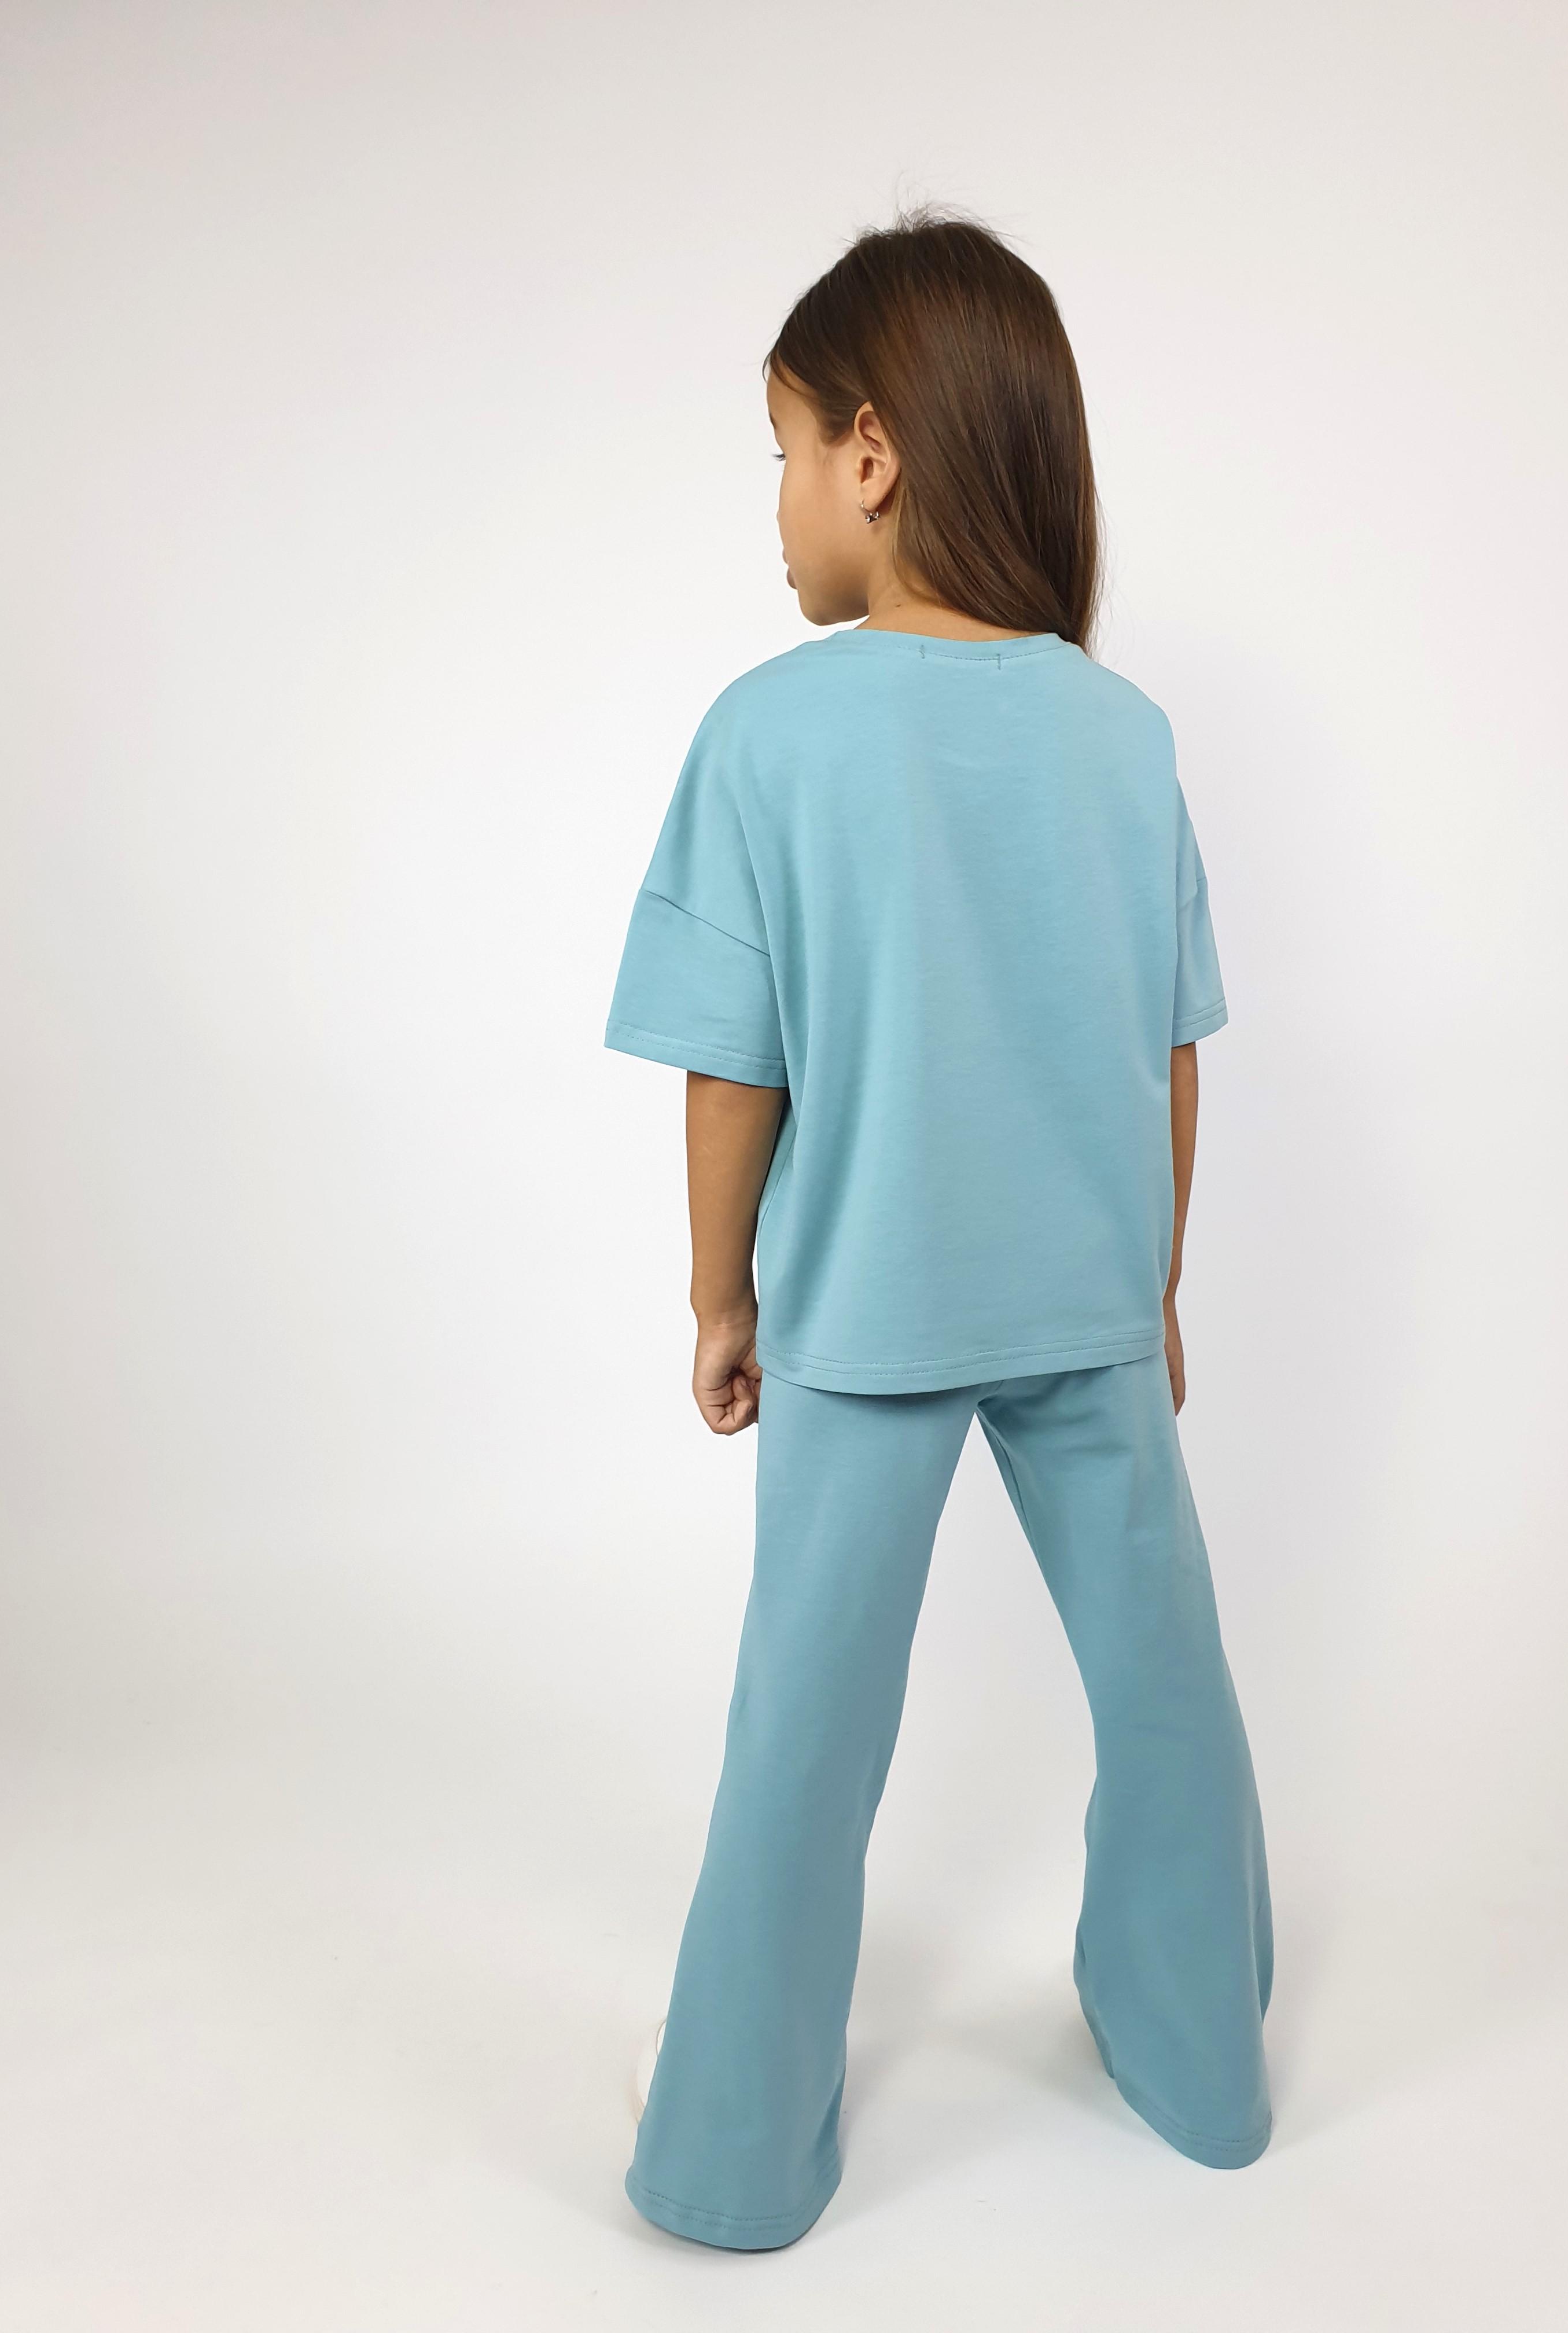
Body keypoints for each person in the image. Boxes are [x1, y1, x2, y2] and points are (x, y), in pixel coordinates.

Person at [603, 212, 1272, 2251]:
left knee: (803, 1731)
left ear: (874, 455)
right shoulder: (1123, 735)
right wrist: (1155, 1281)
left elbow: (735, 1072)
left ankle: (733, 2159)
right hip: (1086, 1303)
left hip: (864, 1311)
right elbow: (1168, 1047)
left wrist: (719, 1295)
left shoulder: (771, 731)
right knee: (1169, 1689)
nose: (778, 502)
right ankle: (1202, 2066)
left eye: (786, 452)